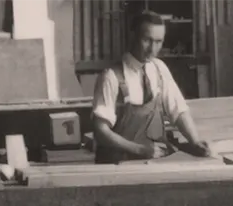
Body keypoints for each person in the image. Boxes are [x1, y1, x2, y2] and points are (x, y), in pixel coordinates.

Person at [90, 11, 211, 164]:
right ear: (133, 36)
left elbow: (178, 111)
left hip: (151, 163)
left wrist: (195, 141)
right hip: (118, 166)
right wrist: (140, 150)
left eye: (159, 41)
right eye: (147, 40)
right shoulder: (110, 76)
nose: (152, 49)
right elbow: (100, 131)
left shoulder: (159, 69)